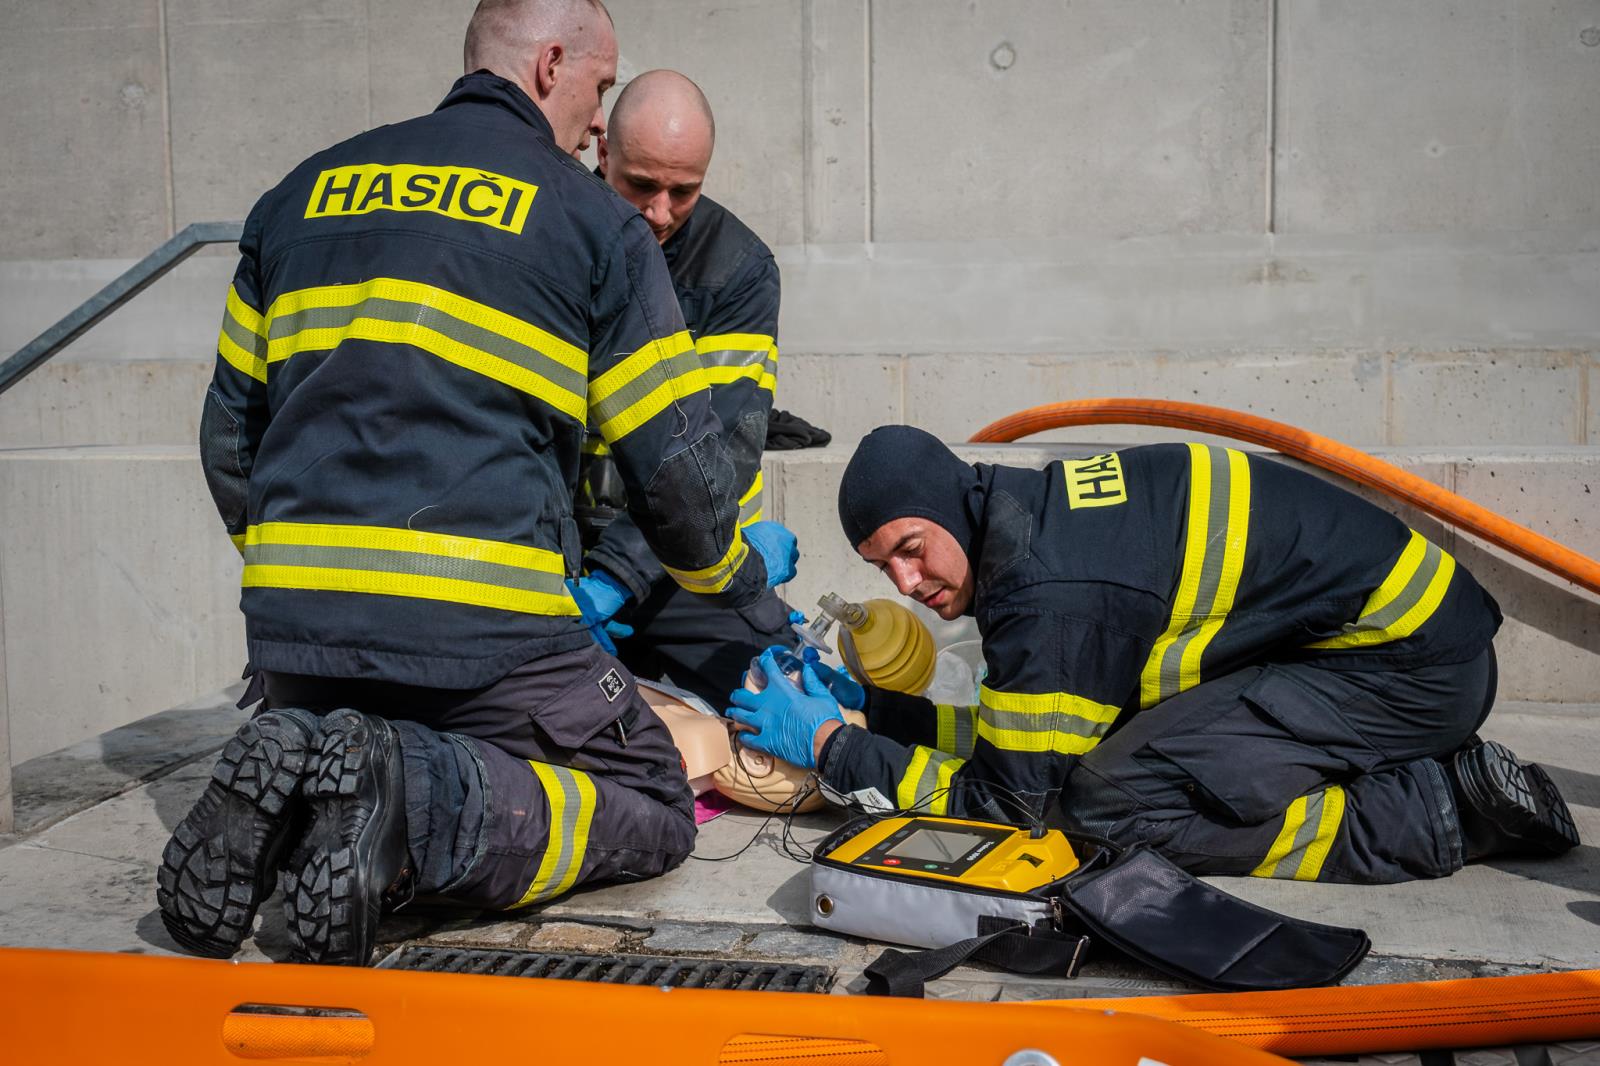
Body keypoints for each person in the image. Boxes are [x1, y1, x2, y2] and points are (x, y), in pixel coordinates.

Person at [157, 0, 797, 967]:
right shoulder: (589, 221)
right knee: (654, 800)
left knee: (357, 738)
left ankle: (303, 798)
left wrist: (306, 583)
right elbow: (681, 484)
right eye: (599, 89)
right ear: (550, 64)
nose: (595, 120)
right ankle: (411, 807)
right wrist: (748, 595)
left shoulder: (298, 195)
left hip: (294, 639)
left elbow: (229, 440)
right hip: (478, 633)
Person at [726, 426, 1580, 885]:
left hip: (1404, 673)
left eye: (912, 549)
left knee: (1105, 807)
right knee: (1107, 757)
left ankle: (1440, 811)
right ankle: (1426, 776)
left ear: (948, 506)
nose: (908, 584)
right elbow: (1025, 739)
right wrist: (878, 709)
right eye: (884, 568)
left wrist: (835, 748)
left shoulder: (1047, 596)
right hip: (1398, 645)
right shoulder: (1031, 518)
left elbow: (1013, 806)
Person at [569, 69, 798, 707]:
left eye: (684, 191)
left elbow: (719, 452)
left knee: (787, 692)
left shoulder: (738, 270)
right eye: (641, 185)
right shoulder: (555, 236)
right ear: (603, 152)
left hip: (689, 558)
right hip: (561, 553)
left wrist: (615, 580)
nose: (659, 212)